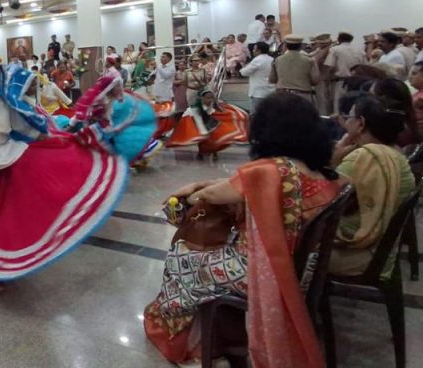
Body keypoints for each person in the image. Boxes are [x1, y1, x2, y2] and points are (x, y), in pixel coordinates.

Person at [145, 92, 341, 367]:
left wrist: (193, 191)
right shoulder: (321, 171)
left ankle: (190, 343)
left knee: (181, 257)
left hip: (264, 272)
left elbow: (212, 195)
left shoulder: (273, 170)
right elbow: (235, 186)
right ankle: (225, 333)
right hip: (304, 268)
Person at [0, 59, 153, 286]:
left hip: (9, 159)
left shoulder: (5, 102)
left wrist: (58, 140)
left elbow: (24, 129)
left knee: (4, 213)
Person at [329, 94, 416, 278]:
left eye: (349, 116)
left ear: (361, 124)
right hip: (382, 251)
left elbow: (326, 203)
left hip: (360, 254)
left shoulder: (363, 158)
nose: (346, 122)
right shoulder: (397, 155)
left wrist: (334, 159)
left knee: (290, 246)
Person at [167, 88, 249, 160]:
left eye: (211, 98)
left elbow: (215, 112)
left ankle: (213, 152)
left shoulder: (212, 105)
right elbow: (198, 121)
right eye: (208, 98)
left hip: (206, 120)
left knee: (215, 134)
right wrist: (204, 133)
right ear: (201, 98)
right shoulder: (195, 109)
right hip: (192, 121)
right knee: (202, 138)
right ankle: (201, 153)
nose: (210, 100)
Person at [324, 32, 365, 113]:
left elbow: (329, 68)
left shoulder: (335, 50)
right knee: (354, 108)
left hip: (341, 83)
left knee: (338, 109)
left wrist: (326, 85)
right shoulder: (360, 51)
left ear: (339, 39)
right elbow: (365, 68)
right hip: (357, 83)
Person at [270, 35, 319, 102]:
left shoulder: (277, 60)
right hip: (303, 94)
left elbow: (272, 79)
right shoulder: (309, 60)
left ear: (286, 46)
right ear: (300, 46)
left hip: (283, 95)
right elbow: (315, 80)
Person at [240, 41, 275, 112]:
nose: (253, 51)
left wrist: (243, 68)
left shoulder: (257, 60)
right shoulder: (272, 59)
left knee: (256, 114)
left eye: (254, 49)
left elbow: (244, 72)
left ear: (259, 50)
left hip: (258, 93)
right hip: (271, 91)